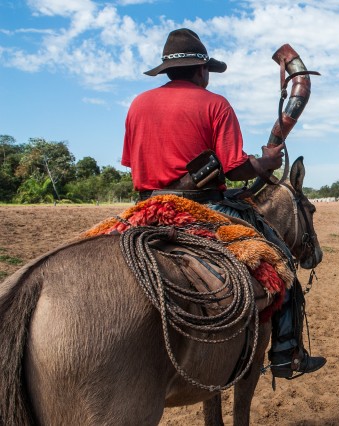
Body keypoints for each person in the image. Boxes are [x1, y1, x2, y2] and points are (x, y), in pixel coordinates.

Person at [121, 28, 325, 378]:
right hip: (200, 205)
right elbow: (234, 167)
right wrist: (265, 163)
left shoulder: (138, 104)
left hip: (146, 207)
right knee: (281, 263)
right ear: (201, 70)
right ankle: (286, 353)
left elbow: (133, 165)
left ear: (168, 71)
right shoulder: (215, 104)